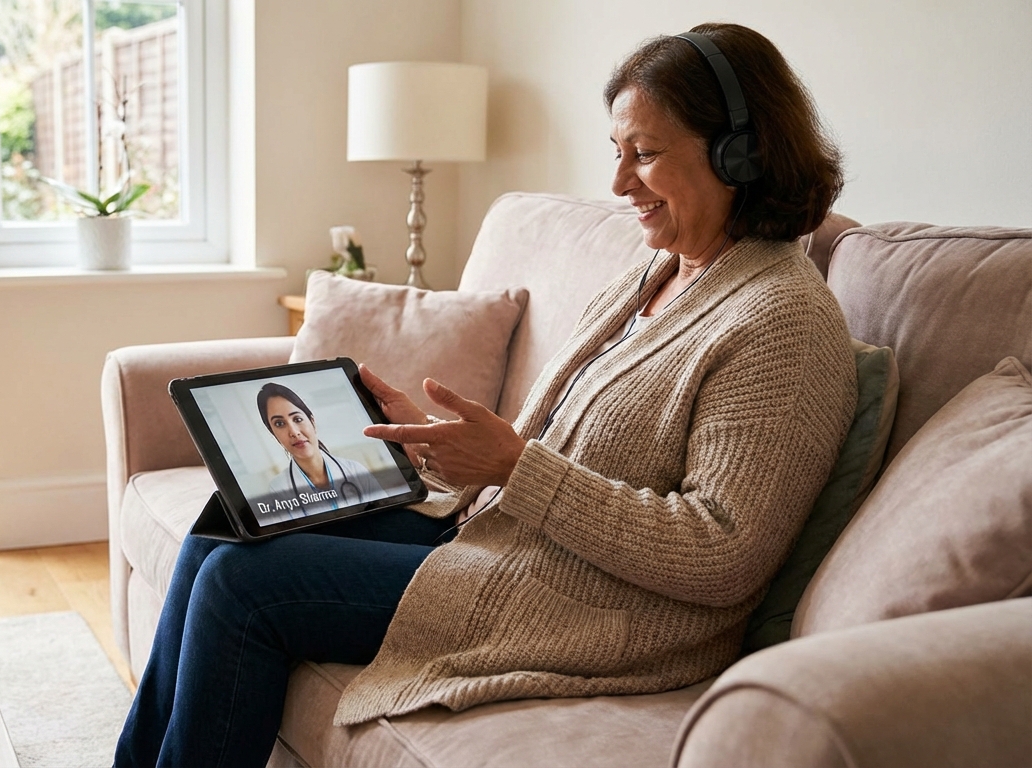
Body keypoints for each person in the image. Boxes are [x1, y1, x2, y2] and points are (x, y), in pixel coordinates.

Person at [115, 22, 857, 767]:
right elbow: (563, 449)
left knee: (243, 584)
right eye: (617, 151)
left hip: (584, 603)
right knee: (225, 524)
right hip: (501, 538)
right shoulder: (657, 274)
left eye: (646, 153)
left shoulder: (782, 320)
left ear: (740, 153)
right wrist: (437, 445)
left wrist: (513, 467)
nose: (619, 184)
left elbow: (722, 553)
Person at [256, 382, 387, 520]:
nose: (294, 432)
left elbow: (387, 518)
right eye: (279, 424)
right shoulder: (278, 489)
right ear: (274, 434)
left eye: (297, 419)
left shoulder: (355, 470)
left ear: (312, 422)